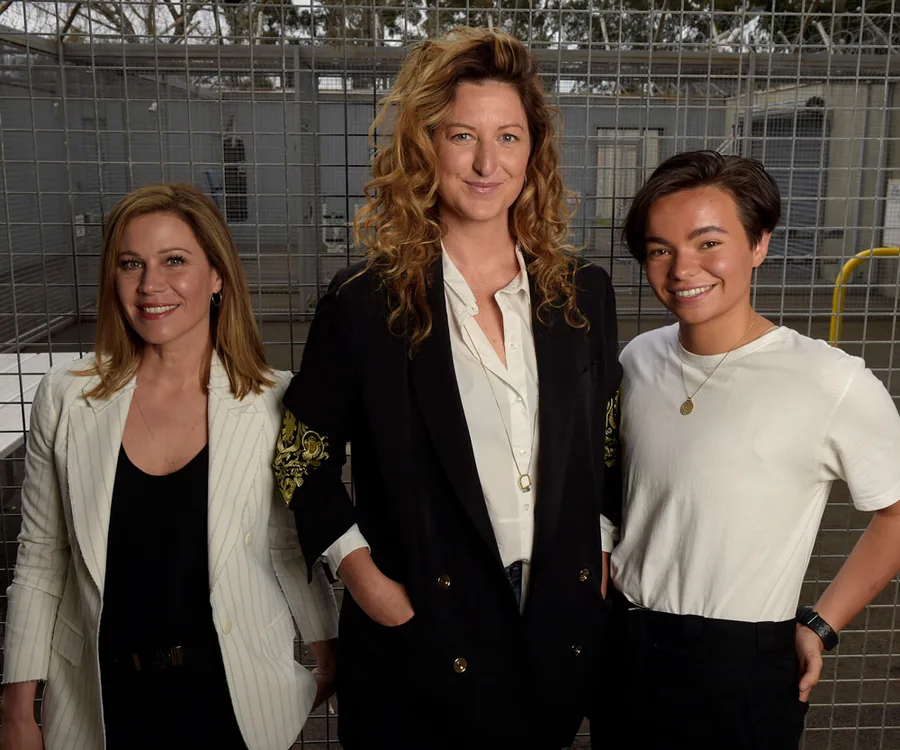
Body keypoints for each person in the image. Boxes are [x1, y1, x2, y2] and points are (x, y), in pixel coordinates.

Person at [273, 27, 621, 750]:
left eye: (509, 137)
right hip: (424, 623)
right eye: (463, 135)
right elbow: (300, 455)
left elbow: (607, 440)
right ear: (425, 145)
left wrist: (603, 554)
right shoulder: (366, 301)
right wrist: (362, 576)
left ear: (535, 151)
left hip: (553, 618)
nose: (487, 162)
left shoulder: (581, 294)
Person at [1, 183, 339, 750]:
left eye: (174, 261)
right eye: (131, 264)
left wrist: (330, 652)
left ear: (217, 277)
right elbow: (40, 557)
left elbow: (287, 547)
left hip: (232, 700)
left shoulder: (278, 401)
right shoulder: (64, 398)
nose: (150, 285)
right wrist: (16, 709)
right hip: (102, 702)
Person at [604, 151, 900, 749]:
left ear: (759, 244)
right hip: (623, 643)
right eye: (660, 248)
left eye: (708, 242)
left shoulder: (830, 381)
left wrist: (820, 624)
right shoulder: (637, 360)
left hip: (740, 664)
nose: (683, 267)